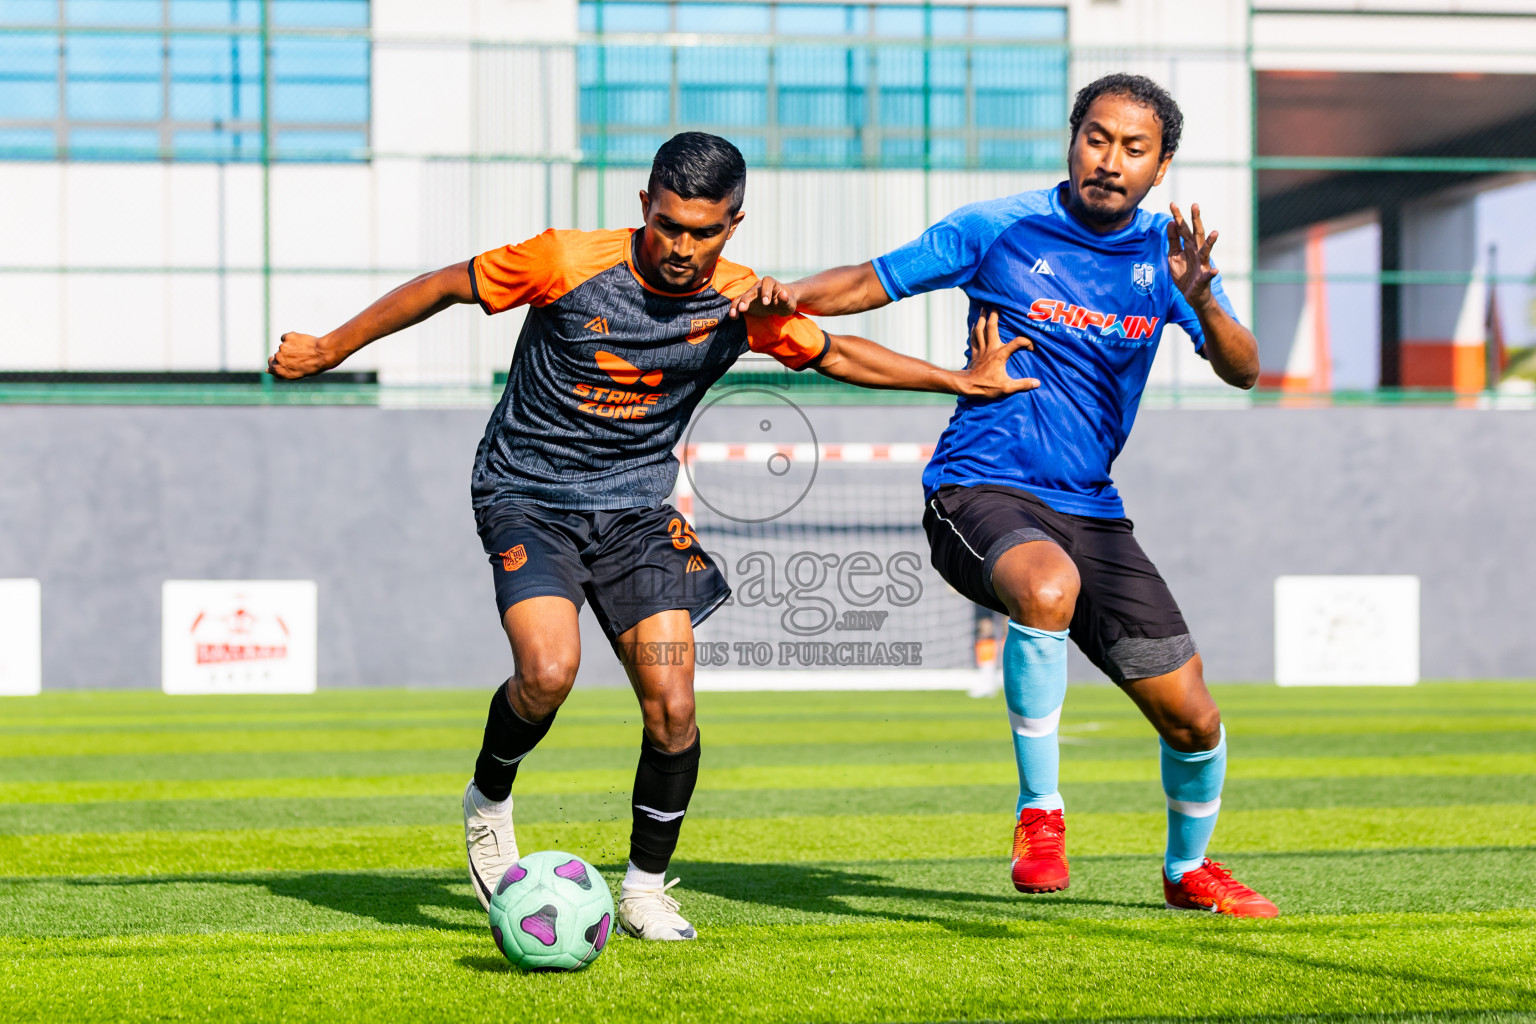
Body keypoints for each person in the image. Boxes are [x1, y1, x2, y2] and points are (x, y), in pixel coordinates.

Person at [268, 131, 1034, 940]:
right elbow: (442, 287)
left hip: (635, 511)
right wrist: (331, 348)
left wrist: (960, 380)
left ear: (734, 224)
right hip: (527, 493)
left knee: (672, 705)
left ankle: (643, 887)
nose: (681, 246)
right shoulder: (566, 259)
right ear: (645, 206)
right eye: (668, 224)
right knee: (549, 671)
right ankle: (489, 797)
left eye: (703, 231)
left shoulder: (744, 302)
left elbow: (836, 354)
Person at [729, 75, 1278, 917]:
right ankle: (1040, 813)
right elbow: (875, 280)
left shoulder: (1168, 259)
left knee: (1194, 720)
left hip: (1091, 507)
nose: (1110, 160)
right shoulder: (997, 229)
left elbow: (1244, 370)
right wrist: (785, 296)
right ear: (1072, 139)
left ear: (1161, 166)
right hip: (978, 487)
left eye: (1134, 149)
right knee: (1046, 585)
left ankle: (1187, 870)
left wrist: (1201, 298)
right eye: (1097, 138)